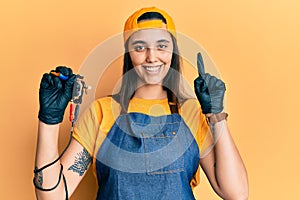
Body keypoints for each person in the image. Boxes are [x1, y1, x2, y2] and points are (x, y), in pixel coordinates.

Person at [34, 7, 248, 200]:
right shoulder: (101, 112)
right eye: (140, 47)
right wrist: (49, 121)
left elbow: (236, 194)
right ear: (129, 53)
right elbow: (53, 196)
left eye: (162, 46)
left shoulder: (190, 112)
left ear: (173, 52)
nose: (151, 57)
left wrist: (216, 114)